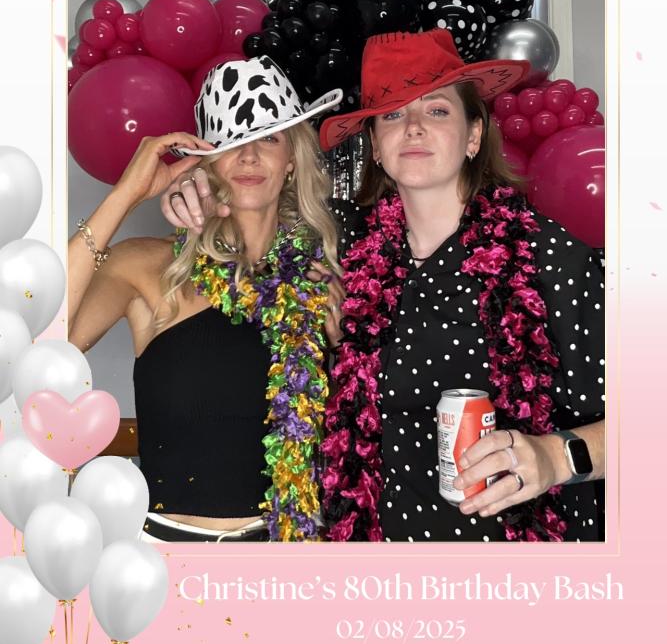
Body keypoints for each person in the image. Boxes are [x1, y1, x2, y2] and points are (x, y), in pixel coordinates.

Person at [163, 30, 605, 544]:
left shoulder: (549, 258)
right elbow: (251, 207)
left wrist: (556, 457)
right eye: (392, 115)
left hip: (507, 570)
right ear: (375, 145)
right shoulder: (340, 243)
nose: (413, 127)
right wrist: (192, 185)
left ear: (474, 135)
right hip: (373, 570)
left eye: (436, 110)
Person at [69, 55, 344, 543]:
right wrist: (128, 193)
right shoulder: (148, 268)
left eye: (269, 139)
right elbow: (41, 331)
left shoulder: (319, 282)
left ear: (292, 160)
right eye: (233, 143)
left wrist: (338, 335)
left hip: (286, 560)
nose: (250, 157)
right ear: (207, 161)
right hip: (163, 559)